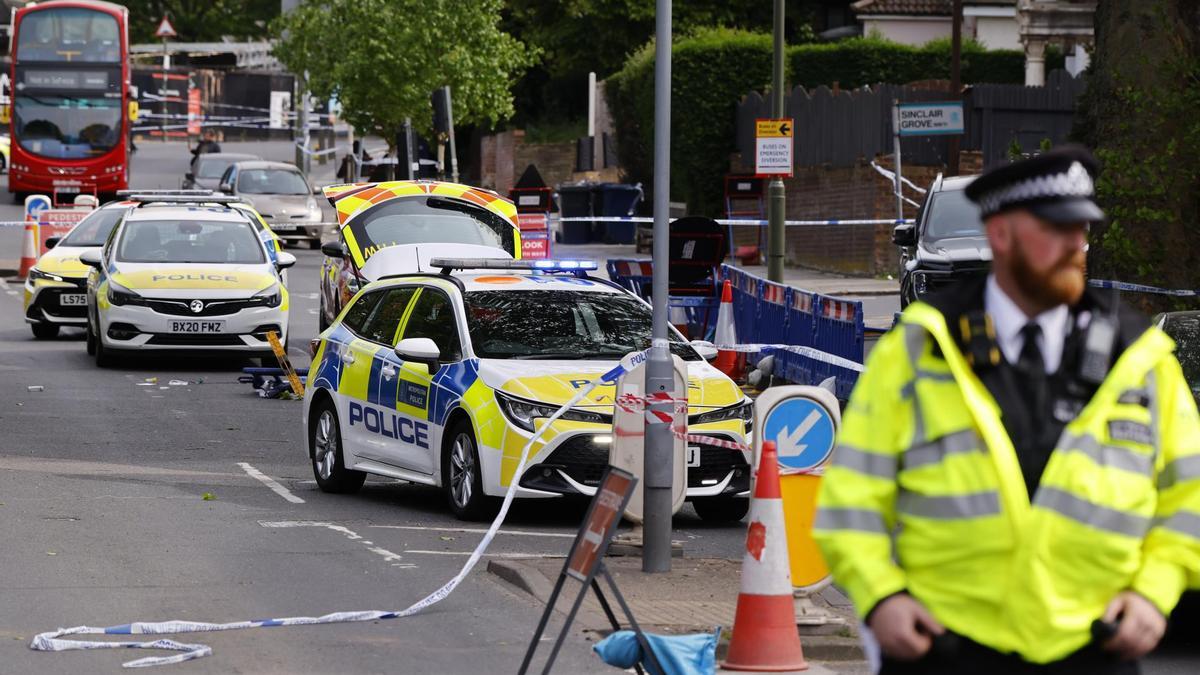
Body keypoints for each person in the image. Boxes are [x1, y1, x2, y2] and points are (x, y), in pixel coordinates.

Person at [813, 145, 1200, 675]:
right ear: (1001, 234)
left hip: (1095, 648)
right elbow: (850, 498)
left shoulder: (1140, 360)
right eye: (1056, 228)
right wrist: (881, 598)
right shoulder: (920, 350)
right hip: (946, 646)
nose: (1075, 245)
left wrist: (1155, 594)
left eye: (1082, 230)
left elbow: (1189, 497)